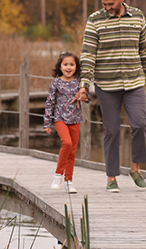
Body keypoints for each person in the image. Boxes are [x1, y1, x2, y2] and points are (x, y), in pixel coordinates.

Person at [74, 0, 146, 193]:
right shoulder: (95, 20)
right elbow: (88, 54)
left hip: (134, 82)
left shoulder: (138, 16)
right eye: (104, 3)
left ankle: (136, 169)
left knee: (139, 124)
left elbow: (145, 48)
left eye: (111, 3)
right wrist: (84, 85)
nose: (107, 7)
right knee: (111, 131)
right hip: (106, 84)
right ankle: (111, 177)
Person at [43, 52, 86, 194]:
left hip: (75, 119)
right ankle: (57, 175)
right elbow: (50, 103)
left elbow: (88, 97)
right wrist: (47, 123)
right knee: (66, 143)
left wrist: (83, 96)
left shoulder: (79, 82)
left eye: (72, 64)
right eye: (65, 64)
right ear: (60, 67)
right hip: (60, 118)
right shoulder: (56, 83)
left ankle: (69, 182)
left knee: (72, 152)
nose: (69, 67)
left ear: (76, 66)